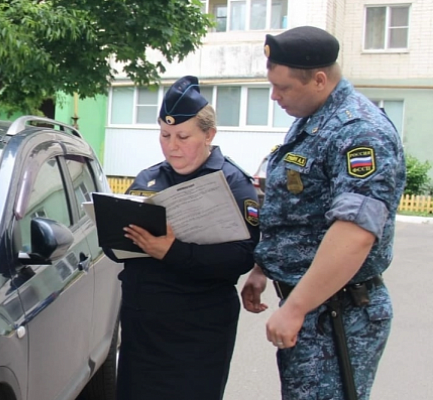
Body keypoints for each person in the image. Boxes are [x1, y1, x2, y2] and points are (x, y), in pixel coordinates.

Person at [240, 26, 406, 400]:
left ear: (318, 79)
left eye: (283, 88)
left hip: (338, 313)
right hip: (316, 307)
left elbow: (356, 232)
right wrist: (264, 269)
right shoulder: (314, 117)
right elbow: (299, 208)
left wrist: (296, 306)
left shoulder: (359, 131)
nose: (274, 95)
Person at [109, 75, 260, 400]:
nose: (171, 145)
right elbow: (116, 249)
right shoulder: (149, 179)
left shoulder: (233, 184)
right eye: (164, 135)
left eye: (182, 136)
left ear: (209, 135)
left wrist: (172, 251)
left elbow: (242, 256)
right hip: (142, 329)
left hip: (198, 332)